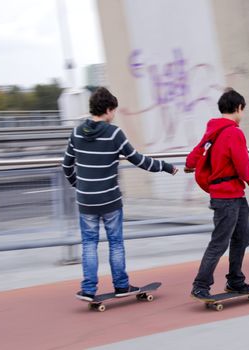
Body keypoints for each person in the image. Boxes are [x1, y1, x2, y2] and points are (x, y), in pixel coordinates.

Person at [62, 87, 178, 302]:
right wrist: (165, 166)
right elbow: (138, 160)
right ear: (107, 110)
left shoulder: (76, 132)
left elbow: (66, 165)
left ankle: (88, 290)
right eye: (113, 111)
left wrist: (78, 185)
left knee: (89, 244)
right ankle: (121, 286)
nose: (114, 115)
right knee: (115, 243)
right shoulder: (114, 133)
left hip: (86, 200)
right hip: (110, 200)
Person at [185, 88, 249, 300]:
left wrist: (189, 165)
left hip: (233, 195)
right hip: (227, 197)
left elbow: (197, 151)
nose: (242, 115)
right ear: (238, 108)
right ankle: (200, 285)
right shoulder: (234, 132)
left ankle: (235, 281)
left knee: (242, 237)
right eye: (243, 110)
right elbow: (242, 164)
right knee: (220, 242)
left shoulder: (213, 130)